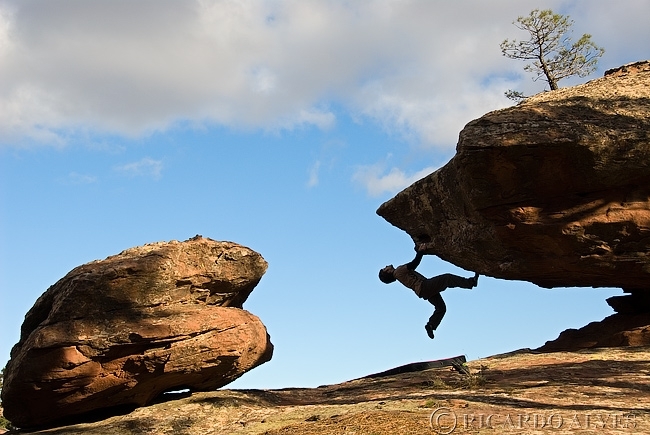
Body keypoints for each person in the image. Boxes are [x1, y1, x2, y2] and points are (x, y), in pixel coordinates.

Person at [379, 245, 479, 339]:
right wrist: (421, 251)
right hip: (425, 286)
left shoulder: (398, 274)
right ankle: (470, 282)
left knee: (441, 308)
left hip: (423, 291)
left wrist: (419, 252)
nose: (387, 266)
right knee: (447, 278)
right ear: (387, 272)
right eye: (385, 268)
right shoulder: (398, 271)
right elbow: (414, 263)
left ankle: (430, 325)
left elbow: (413, 266)